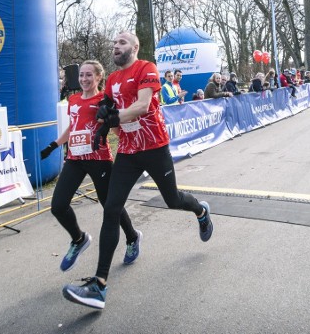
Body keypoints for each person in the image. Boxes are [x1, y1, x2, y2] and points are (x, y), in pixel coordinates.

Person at [62, 32, 213, 310]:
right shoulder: (112, 80)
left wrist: (115, 116)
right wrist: (102, 120)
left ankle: (201, 211)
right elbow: (105, 105)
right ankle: (99, 285)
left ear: (135, 47)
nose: (115, 46)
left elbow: (143, 106)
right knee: (111, 208)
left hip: (155, 148)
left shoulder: (147, 68)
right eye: (114, 43)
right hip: (128, 152)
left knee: (173, 200)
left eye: (121, 42)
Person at [41, 61, 142, 272]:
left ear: (98, 77)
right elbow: (73, 126)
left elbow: (115, 126)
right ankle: (78, 239)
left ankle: (132, 237)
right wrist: (54, 145)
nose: (84, 79)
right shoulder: (73, 99)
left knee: (109, 205)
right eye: (81, 75)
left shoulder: (104, 99)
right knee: (58, 206)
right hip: (75, 158)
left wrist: (122, 136)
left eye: (89, 75)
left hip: (99, 159)